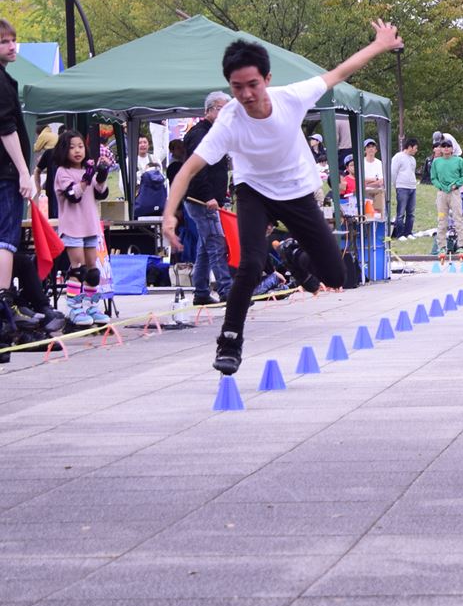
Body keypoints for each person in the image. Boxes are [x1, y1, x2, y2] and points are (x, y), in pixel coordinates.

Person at [164, 20, 403, 374]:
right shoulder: (228, 121)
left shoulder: (291, 97)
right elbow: (187, 170)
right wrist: (170, 214)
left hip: (297, 191)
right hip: (253, 192)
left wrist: (380, 44)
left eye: (253, 85)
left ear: (268, 79)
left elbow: (339, 73)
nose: (247, 95)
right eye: (237, 87)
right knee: (249, 264)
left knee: (337, 277)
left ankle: (294, 254)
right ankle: (229, 341)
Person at [52, 129, 111, 327]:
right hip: (72, 227)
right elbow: (73, 195)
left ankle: (91, 306)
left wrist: (101, 174)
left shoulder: (88, 170)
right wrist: (86, 179)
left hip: (90, 226)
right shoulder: (63, 172)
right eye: (72, 147)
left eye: (80, 146)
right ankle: (74, 308)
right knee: (78, 269)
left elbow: (100, 192)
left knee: (93, 272)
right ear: (64, 150)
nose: (77, 151)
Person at [180, 91, 233, 306]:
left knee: (205, 245)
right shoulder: (200, 134)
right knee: (215, 243)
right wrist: (208, 196)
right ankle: (227, 289)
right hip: (200, 199)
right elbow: (197, 168)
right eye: (221, 109)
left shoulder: (214, 132)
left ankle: (201, 291)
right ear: (209, 110)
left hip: (208, 198)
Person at [0, 18, 34, 337]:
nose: (12, 47)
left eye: (13, 40)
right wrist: (24, 171)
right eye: (4, 42)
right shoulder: (1, 81)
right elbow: (6, 128)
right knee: (6, 239)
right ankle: (4, 302)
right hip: (6, 173)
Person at [431, 138, 463, 260]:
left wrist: (456, 184)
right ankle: (441, 246)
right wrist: (440, 186)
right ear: (440, 149)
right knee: (442, 219)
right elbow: (433, 178)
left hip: (454, 193)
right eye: (444, 146)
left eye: (448, 146)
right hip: (442, 194)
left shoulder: (459, 160)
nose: (446, 148)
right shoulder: (436, 162)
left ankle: (462, 245)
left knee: (458, 218)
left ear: (452, 148)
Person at [389, 136, 419, 238]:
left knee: (411, 213)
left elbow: (412, 172)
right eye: (415, 148)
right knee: (401, 213)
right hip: (402, 187)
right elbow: (393, 172)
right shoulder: (398, 157)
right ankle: (399, 234)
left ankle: (408, 232)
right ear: (410, 147)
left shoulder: (413, 159)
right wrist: (396, 185)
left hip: (412, 187)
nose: (416, 150)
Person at [362, 139, 385, 216]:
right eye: (368, 147)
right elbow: (361, 180)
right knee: (366, 216)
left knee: (378, 216)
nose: (371, 149)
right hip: (364, 193)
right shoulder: (361, 163)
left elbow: (381, 182)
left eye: (373, 146)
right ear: (365, 150)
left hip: (378, 192)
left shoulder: (379, 163)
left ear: (376, 150)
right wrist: (374, 179)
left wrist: (367, 184)